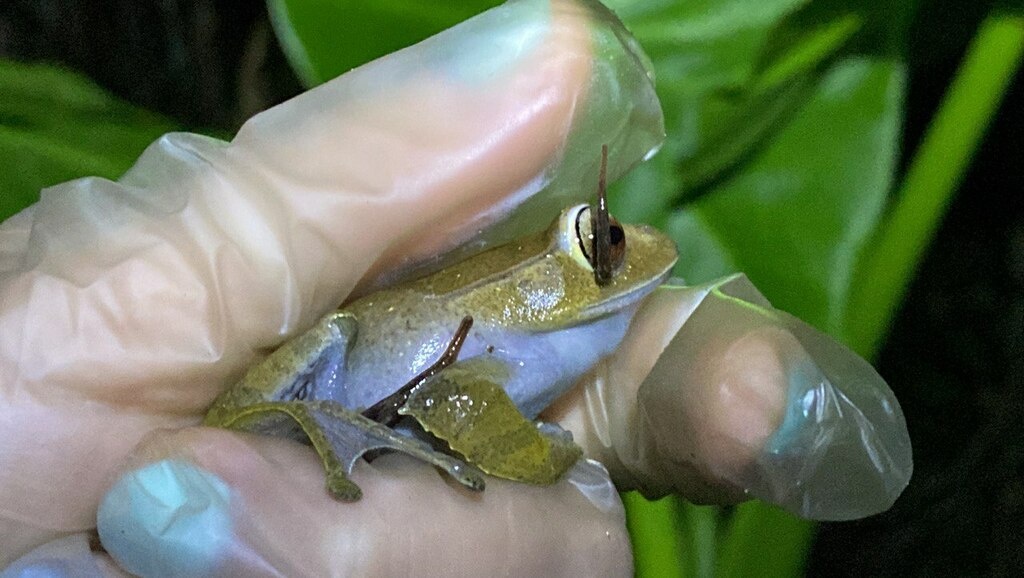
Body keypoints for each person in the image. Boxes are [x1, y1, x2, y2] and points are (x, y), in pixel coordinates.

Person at [0, 0, 910, 575]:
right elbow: (455, 394)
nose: (631, 249)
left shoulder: (571, 338)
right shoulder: (529, 321)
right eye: (599, 240)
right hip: (325, 387)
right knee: (336, 362)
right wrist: (543, 456)